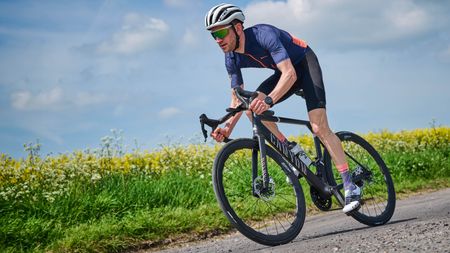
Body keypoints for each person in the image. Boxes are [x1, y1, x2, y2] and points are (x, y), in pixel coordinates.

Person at [205, 3, 360, 213]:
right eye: (213, 36)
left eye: (221, 32)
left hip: (303, 64)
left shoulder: (263, 35)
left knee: (319, 127)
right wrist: (227, 127)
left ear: (238, 27)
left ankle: (350, 184)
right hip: (283, 72)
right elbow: (237, 97)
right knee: (251, 108)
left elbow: (290, 74)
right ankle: (292, 151)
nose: (218, 40)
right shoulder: (230, 57)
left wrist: (268, 101)